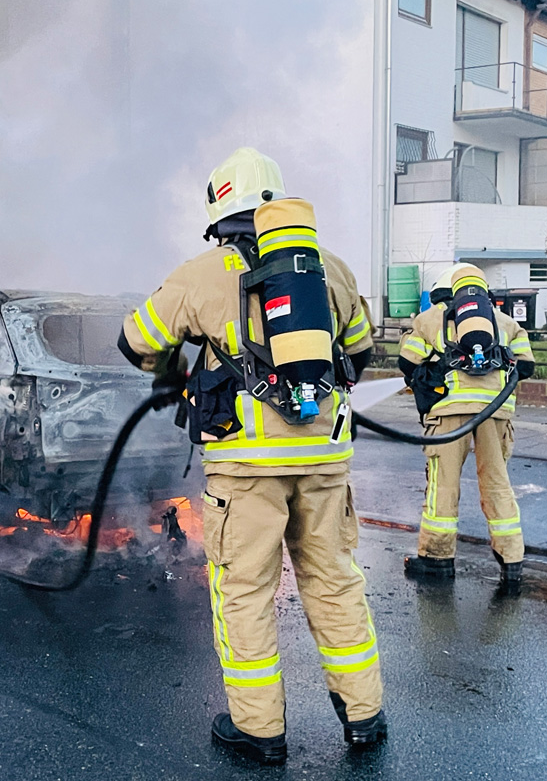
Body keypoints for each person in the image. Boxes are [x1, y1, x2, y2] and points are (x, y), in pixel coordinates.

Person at [119, 148, 385, 765]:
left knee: (244, 592)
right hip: (323, 460)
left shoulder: (202, 273)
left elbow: (136, 340)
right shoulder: (331, 269)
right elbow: (362, 353)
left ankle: (260, 730)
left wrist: (175, 373)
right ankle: (365, 717)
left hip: (243, 468)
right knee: (336, 582)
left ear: (220, 209)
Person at [397, 263, 535, 588]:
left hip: (448, 413)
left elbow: (407, 361)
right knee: (497, 483)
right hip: (496, 412)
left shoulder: (431, 319)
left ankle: (436, 560)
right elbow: (526, 366)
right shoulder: (505, 322)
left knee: (443, 486)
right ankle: (512, 560)